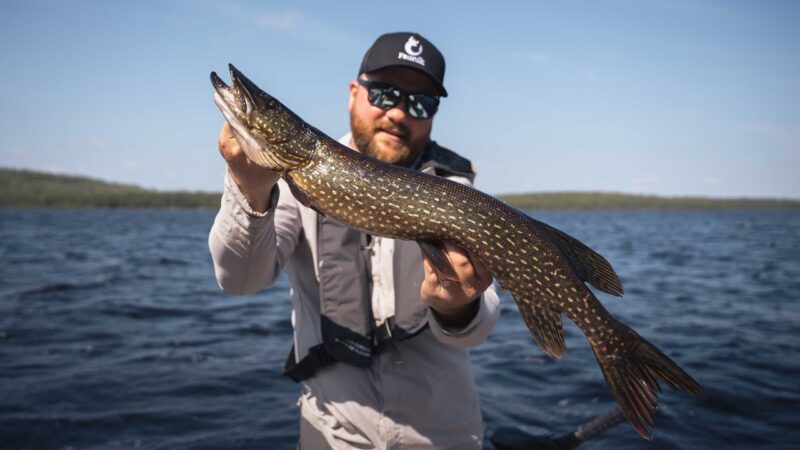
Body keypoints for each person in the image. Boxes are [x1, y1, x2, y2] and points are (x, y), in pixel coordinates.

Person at [209, 32, 501, 449]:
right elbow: (239, 281)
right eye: (384, 93)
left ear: (434, 115)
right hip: (332, 434)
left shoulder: (456, 191)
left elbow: (481, 326)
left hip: (443, 438)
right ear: (353, 93)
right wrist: (248, 189)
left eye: (420, 103)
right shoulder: (292, 181)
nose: (398, 113)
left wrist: (461, 306)